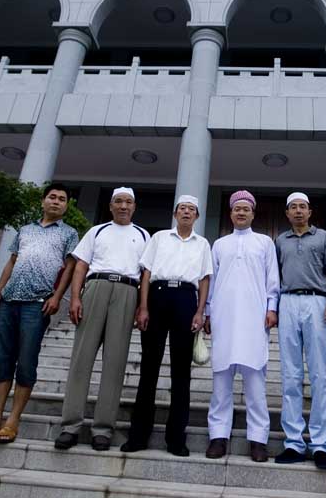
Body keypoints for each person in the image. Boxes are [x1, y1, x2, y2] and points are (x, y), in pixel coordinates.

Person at [0, 184, 77, 445]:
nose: (56, 202)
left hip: (37, 304)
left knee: (26, 362)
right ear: (43, 201)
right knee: (0, 360)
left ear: (66, 206)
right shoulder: (25, 230)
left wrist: (56, 296)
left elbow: (70, 267)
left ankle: (12, 421)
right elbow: (12, 261)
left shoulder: (69, 234)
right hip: (8, 301)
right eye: (52, 197)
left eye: (62, 199)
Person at [54, 186, 149, 451]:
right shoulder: (97, 231)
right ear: (110, 206)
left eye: (128, 202)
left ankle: (103, 429)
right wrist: (75, 298)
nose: (123, 206)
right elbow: (81, 265)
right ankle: (70, 426)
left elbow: (146, 274)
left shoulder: (144, 235)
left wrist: (142, 306)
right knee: (81, 358)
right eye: (118, 201)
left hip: (128, 291)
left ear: (134, 207)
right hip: (96, 287)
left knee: (115, 363)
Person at [122, 194, 212, 456]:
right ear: (175, 213)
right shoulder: (159, 237)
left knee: (181, 372)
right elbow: (146, 273)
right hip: (158, 296)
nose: (186, 212)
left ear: (197, 216)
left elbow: (204, 279)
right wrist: (143, 306)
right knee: (149, 367)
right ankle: (139, 435)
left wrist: (200, 311)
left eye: (191, 209)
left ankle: (176, 439)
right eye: (182, 208)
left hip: (186, 299)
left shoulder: (202, 244)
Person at [204, 190, 279, 463]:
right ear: (231, 213)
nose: (241, 212)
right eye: (237, 209)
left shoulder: (265, 243)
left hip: (254, 319)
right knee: (221, 382)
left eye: (246, 209)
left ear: (253, 214)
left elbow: (273, 280)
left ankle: (258, 440)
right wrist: (208, 312)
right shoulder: (219, 244)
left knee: (256, 384)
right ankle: (218, 436)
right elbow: (211, 281)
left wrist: (271, 308)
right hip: (223, 318)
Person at [274, 191, 326, 471]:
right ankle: (293, 442)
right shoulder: (280, 241)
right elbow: (274, 275)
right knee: (290, 374)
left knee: (319, 374)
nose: (298, 211)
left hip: (317, 301)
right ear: (287, 213)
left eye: (303, 207)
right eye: (294, 207)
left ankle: (321, 444)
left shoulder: (323, 237)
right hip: (288, 301)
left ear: (310, 212)